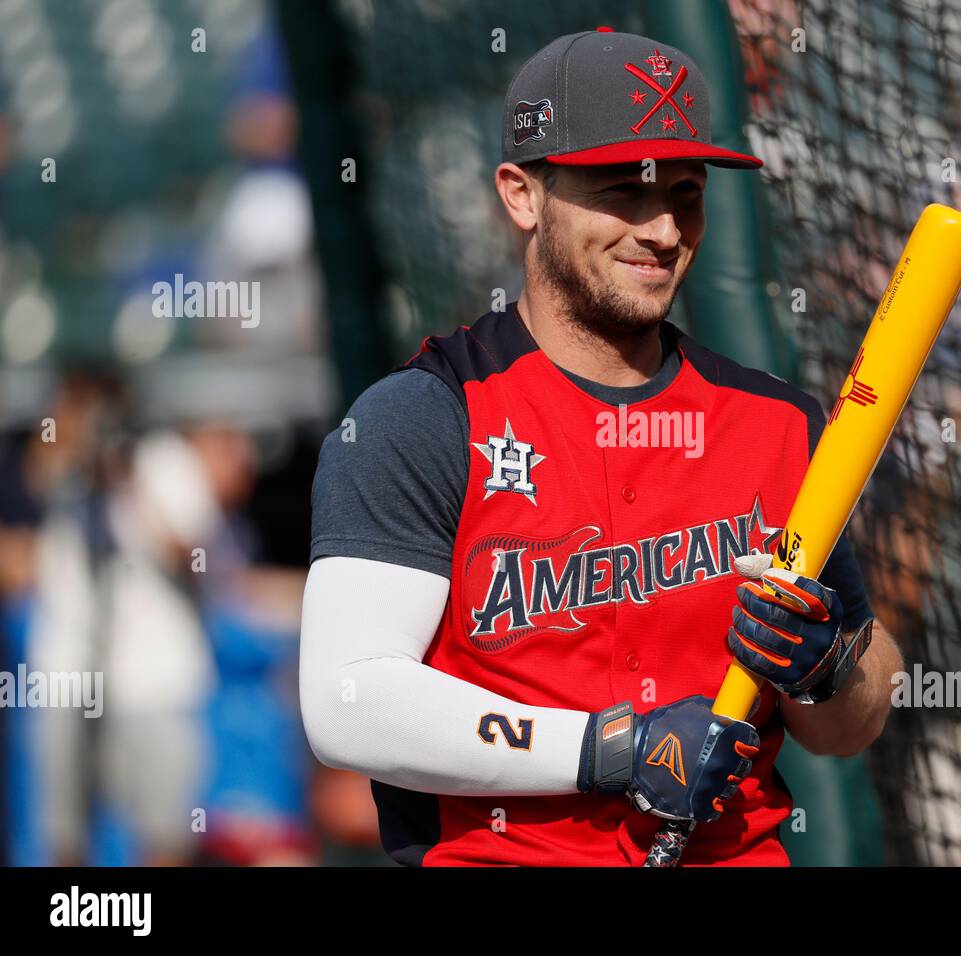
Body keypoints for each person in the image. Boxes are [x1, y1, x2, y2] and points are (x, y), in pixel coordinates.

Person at [300, 28, 901, 867]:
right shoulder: (421, 419)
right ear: (522, 195)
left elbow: (853, 720)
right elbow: (346, 701)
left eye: (686, 194)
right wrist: (611, 750)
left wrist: (829, 669)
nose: (661, 229)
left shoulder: (778, 424)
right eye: (624, 189)